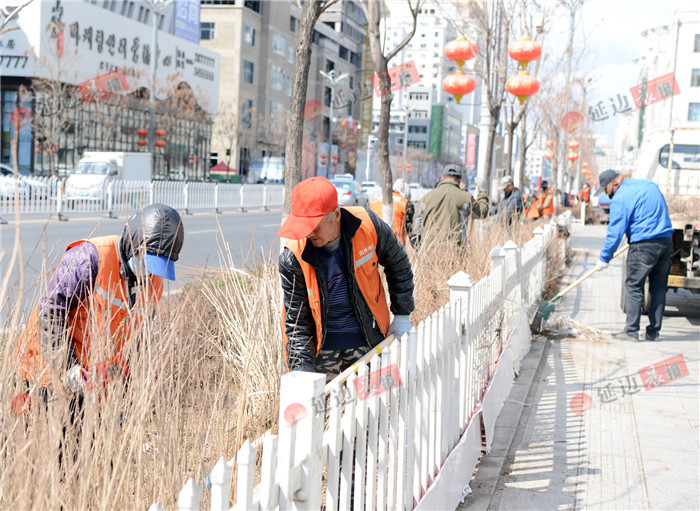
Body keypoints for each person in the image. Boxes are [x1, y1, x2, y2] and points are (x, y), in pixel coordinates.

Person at [16, 204, 185, 402]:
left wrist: (127, 375)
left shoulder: (155, 281)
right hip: (51, 359)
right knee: (59, 428)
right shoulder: (90, 257)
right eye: (146, 260)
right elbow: (51, 311)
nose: (148, 271)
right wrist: (67, 367)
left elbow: (140, 334)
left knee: (97, 429)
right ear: (133, 244)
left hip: (94, 371)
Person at [278, 177, 414, 375]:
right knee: (324, 406)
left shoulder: (367, 225)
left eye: (313, 226)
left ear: (335, 215)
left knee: (374, 403)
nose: (307, 233)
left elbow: (398, 264)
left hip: (369, 342)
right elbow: (297, 322)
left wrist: (402, 314)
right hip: (321, 352)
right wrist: (302, 371)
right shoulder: (293, 257)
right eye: (303, 226)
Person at [594, 169, 673, 341]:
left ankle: (631, 331)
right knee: (658, 288)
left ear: (614, 183)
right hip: (666, 242)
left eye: (606, 191)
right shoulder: (648, 185)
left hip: (642, 246)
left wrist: (604, 258)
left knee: (634, 286)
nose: (607, 196)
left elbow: (615, 231)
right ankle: (653, 332)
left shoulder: (621, 197)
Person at [411, 164, 489, 246]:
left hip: (429, 251)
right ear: (459, 180)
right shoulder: (465, 197)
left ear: (442, 178)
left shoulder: (426, 198)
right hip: (456, 250)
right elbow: (482, 213)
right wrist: (482, 191)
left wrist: (419, 248)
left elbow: (416, 229)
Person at [368, 178, 414, 247]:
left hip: (372, 243)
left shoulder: (374, 202)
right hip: (395, 245)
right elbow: (412, 230)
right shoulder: (405, 204)